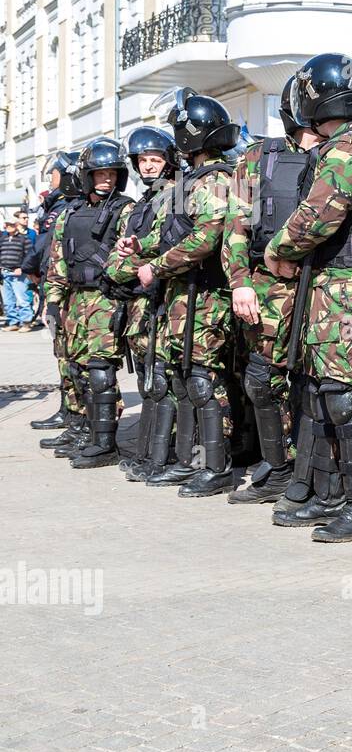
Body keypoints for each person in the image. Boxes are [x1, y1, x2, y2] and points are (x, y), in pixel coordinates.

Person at [263, 53, 352, 542]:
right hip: (330, 285)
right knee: (321, 395)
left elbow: (319, 215)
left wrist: (279, 249)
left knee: (343, 397)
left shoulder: (350, 148)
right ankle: (333, 492)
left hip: (348, 286)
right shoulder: (347, 144)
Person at [132, 90, 242, 495]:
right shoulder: (190, 180)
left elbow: (205, 239)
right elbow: (169, 233)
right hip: (181, 293)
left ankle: (216, 466)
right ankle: (187, 461)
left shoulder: (217, 179)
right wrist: (140, 250)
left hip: (207, 293)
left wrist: (155, 266)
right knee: (182, 378)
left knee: (202, 379)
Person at [224, 77, 323, 506]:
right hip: (267, 285)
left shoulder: (340, 154)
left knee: (316, 385)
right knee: (262, 380)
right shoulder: (257, 158)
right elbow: (236, 223)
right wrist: (240, 281)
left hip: (323, 283)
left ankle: (314, 472)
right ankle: (278, 465)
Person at [43, 139, 136, 468]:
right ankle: (84, 431)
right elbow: (58, 261)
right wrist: (53, 303)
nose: (106, 179)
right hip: (74, 301)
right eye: (99, 173)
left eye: (112, 173)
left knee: (100, 371)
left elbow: (130, 253)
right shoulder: (69, 213)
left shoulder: (126, 209)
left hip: (105, 300)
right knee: (77, 369)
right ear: (86, 176)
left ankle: (105, 442)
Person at [103, 126, 182, 480]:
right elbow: (117, 257)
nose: (148, 166)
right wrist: (124, 269)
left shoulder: (175, 197)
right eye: (143, 160)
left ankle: (161, 457)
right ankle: (147, 453)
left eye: (155, 159)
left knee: (162, 380)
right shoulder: (139, 205)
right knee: (148, 383)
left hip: (162, 303)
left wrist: (134, 266)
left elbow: (165, 251)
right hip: (137, 308)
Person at [31, 152, 84, 436]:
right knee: (63, 354)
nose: (51, 177)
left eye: (54, 172)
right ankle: (69, 408)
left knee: (70, 355)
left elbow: (45, 247)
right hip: (56, 288)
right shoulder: (61, 206)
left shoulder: (64, 208)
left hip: (65, 292)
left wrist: (30, 267)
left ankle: (74, 412)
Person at [1, 212, 35, 330]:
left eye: (10, 224)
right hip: (4, 273)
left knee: (22, 299)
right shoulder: (3, 239)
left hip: (18, 273)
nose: (8, 227)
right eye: (6, 225)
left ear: (16, 225)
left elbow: (30, 256)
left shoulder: (24, 239)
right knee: (8, 300)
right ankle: (13, 322)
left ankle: (26, 322)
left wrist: (22, 268)